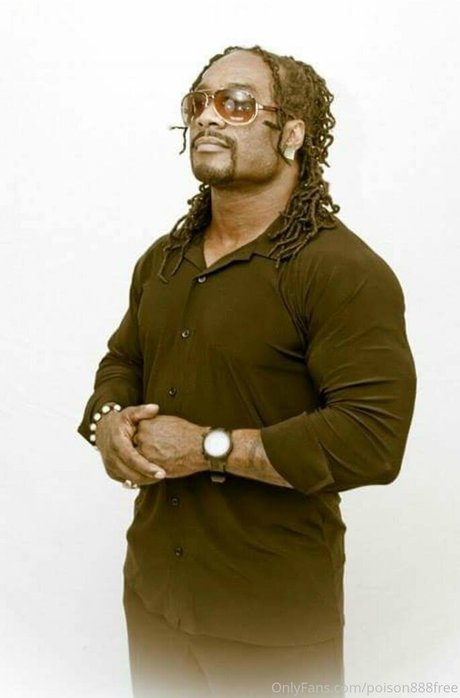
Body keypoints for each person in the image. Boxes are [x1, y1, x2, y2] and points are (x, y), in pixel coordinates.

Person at [77, 44, 417, 698]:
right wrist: (110, 422)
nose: (208, 117)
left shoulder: (342, 271)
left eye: (236, 103)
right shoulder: (164, 259)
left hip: (269, 619)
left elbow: (372, 440)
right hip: (154, 597)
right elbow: (123, 361)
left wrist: (210, 448)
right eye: (198, 103)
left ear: (291, 134)